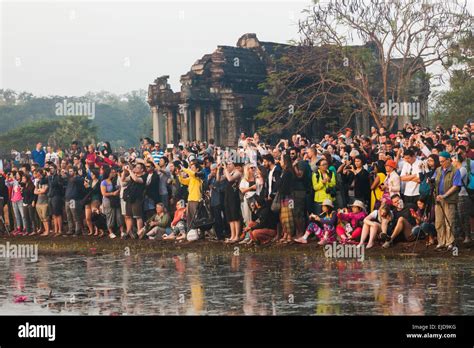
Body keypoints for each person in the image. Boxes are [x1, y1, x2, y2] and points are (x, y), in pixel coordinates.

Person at [432, 151, 462, 251]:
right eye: (440, 161)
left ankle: (450, 242)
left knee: (449, 221)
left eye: (443, 161)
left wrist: (444, 195)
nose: (441, 163)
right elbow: (433, 180)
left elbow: (456, 186)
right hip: (438, 200)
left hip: (449, 200)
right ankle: (441, 241)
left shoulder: (455, 171)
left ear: (448, 160)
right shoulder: (438, 170)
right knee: (439, 222)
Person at [123, 162, 147, 239]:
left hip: (137, 199)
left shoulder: (144, 176)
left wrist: (130, 171)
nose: (135, 168)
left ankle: (139, 233)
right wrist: (124, 171)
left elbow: (136, 179)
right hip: (129, 198)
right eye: (135, 167)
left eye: (138, 167)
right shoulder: (132, 175)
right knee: (128, 216)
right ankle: (128, 232)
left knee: (137, 216)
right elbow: (123, 179)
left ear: (142, 169)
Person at [453, 154, 471, 243]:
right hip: (457, 195)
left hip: (463, 195)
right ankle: (462, 235)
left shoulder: (462, 169)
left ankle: (468, 236)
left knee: (464, 216)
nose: (452, 162)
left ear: (457, 160)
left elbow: (456, 181)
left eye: (453, 160)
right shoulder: (456, 170)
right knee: (458, 217)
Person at [222, 160, 242, 243]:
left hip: (234, 196)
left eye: (230, 164)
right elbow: (220, 178)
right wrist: (221, 169)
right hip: (228, 196)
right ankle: (232, 235)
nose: (228, 165)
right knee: (230, 217)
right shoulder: (228, 173)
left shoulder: (237, 172)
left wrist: (225, 169)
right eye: (228, 164)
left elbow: (230, 179)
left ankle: (237, 236)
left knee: (235, 216)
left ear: (234, 165)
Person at [101, 167, 121, 239]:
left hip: (115, 200)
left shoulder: (115, 181)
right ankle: (110, 232)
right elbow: (104, 193)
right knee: (110, 216)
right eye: (112, 172)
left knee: (118, 215)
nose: (114, 173)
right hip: (108, 200)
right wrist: (113, 193)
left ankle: (121, 230)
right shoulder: (104, 182)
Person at [64, 167, 85, 237]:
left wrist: (67, 174)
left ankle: (77, 231)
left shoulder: (78, 178)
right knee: (68, 216)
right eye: (69, 171)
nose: (70, 173)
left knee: (75, 216)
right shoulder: (69, 179)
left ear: (75, 172)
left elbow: (77, 180)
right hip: (67, 199)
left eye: (71, 171)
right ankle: (70, 230)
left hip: (73, 200)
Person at [33, 169, 50, 236]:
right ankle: (45, 230)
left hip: (44, 202)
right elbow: (34, 191)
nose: (35, 174)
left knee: (45, 217)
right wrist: (40, 190)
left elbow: (44, 190)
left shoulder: (45, 180)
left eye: (36, 173)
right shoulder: (38, 182)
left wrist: (39, 191)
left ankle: (47, 231)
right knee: (42, 218)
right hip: (38, 202)